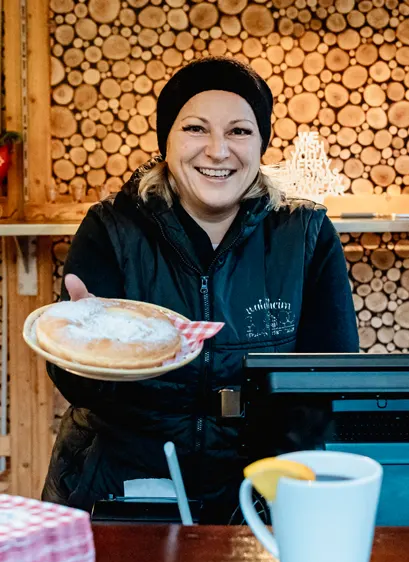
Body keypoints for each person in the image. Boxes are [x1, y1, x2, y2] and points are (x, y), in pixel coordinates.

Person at [42, 58, 359, 523]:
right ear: (166, 142)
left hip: (259, 495)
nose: (217, 150)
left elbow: (330, 383)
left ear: (261, 143)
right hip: (123, 488)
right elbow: (76, 386)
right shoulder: (112, 228)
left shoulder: (305, 235)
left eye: (239, 131)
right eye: (195, 128)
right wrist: (83, 350)